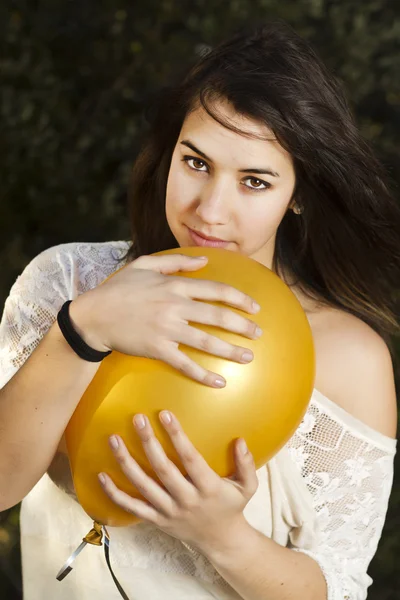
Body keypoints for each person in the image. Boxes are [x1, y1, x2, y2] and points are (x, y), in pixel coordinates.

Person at [0, 19, 399, 600]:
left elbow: (337, 588)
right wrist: (79, 330)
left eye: (255, 181)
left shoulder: (346, 357)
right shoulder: (69, 281)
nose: (210, 211)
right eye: (196, 163)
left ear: (300, 197)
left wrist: (219, 535)